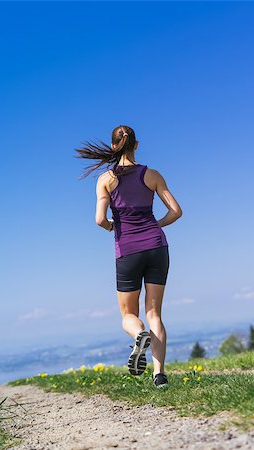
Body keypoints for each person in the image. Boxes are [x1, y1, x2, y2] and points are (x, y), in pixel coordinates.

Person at [74, 125, 182, 388]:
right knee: (154, 312)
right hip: (157, 247)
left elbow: (99, 219)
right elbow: (176, 211)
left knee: (128, 315)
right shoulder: (152, 175)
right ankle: (159, 376)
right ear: (137, 144)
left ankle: (139, 334)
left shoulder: (106, 179)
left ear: (113, 146)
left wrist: (114, 227)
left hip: (127, 249)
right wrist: (154, 226)